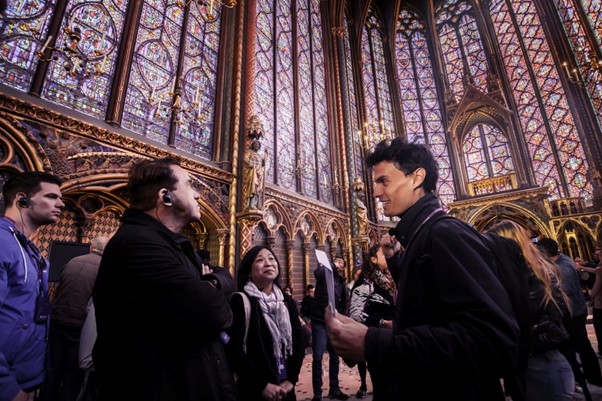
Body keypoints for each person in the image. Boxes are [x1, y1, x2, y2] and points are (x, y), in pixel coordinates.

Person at [325, 138, 520, 400]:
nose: (375, 193)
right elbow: (432, 321)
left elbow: (493, 342)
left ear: (417, 178)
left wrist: (374, 343)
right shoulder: (420, 235)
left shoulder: (445, 235)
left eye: (384, 181)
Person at [92, 157, 238, 401]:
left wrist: (210, 283)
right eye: (190, 185)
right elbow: (215, 313)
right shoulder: (138, 244)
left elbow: (224, 277)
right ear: (165, 196)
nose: (199, 195)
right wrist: (214, 287)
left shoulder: (171, 245)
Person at [490, 221, 574, 401]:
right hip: (537, 362)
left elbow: (530, 318)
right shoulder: (535, 270)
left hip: (542, 363)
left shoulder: (530, 275)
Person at [0, 171, 64, 401]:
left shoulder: (31, 250)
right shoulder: (3, 242)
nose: (61, 203)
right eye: (51, 197)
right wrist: (6, 387)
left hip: (29, 378)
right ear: (22, 200)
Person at [225, 245, 305, 401]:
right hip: (254, 391)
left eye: (271, 258)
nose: (268, 263)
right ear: (249, 271)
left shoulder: (286, 302)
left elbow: (299, 340)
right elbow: (234, 349)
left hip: (285, 389)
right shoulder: (241, 301)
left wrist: (291, 380)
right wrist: (262, 386)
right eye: (260, 260)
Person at [39, 236, 110, 401]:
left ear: (91, 248)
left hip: (57, 323)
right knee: (72, 378)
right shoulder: (105, 268)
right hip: (79, 327)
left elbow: (59, 292)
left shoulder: (72, 261)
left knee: (52, 373)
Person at [537, 237, 602, 390]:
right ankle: (589, 376)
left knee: (581, 346)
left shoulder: (563, 268)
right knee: (580, 345)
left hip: (574, 313)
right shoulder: (562, 258)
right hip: (574, 312)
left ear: (545, 253)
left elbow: (562, 291)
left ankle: (592, 378)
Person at [347, 243, 396, 399]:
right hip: (379, 339)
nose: (389, 255)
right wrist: (383, 323)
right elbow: (355, 314)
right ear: (374, 259)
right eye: (384, 254)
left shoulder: (388, 280)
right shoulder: (366, 284)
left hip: (393, 339)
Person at [309, 257, 348, 401]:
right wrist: (329, 265)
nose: (338, 262)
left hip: (334, 322)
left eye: (340, 262)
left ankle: (334, 389)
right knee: (317, 356)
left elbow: (343, 303)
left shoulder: (341, 283)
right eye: (336, 260)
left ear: (343, 267)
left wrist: (340, 320)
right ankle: (317, 394)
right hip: (319, 321)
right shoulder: (323, 274)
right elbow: (317, 273)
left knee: (334, 356)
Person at [243, 140, 265, 210]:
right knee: (253, 188)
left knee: (258, 189)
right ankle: (250, 204)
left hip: (259, 174)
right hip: (252, 173)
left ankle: (255, 204)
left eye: (258, 145)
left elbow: (261, 164)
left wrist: (265, 158)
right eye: (255, 144)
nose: (257, 146)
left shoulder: (258, 155)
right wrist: (250, 164)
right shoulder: (249, 152)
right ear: (252, 145)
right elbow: (245, 159)